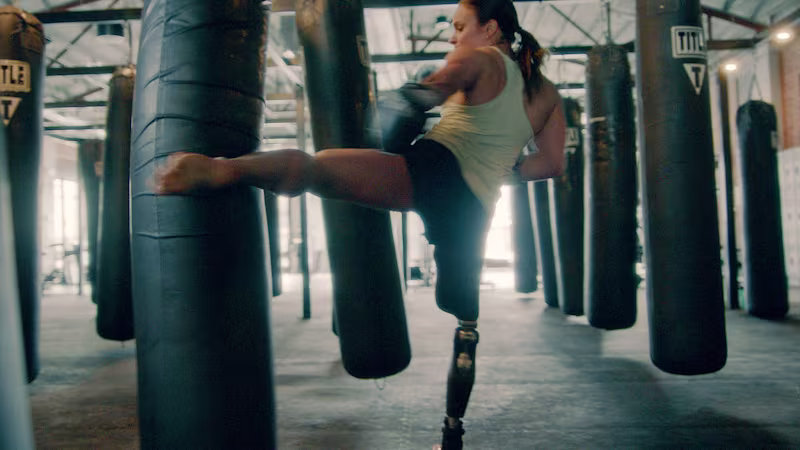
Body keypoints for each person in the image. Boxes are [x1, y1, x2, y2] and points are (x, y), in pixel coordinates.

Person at [155, 0, 565, 448]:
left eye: (460, 26)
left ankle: (220, 169)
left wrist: (395, 123)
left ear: (490, 30)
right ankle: (452, 429)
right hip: (473, 209)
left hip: (432, 170)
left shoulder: (478, 58)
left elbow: (425, 94)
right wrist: (496, 168)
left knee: (317, 170)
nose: (453, 36)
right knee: (464, 320)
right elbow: (549, 164)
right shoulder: (547, 95)